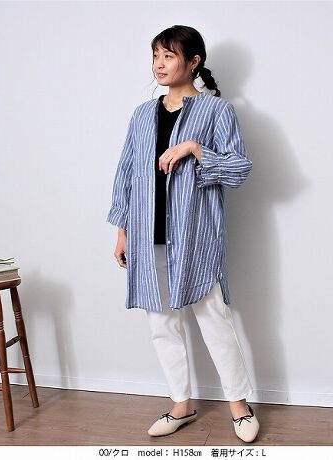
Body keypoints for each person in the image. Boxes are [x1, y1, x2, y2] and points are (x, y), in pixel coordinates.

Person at [106, 25, 259, 443]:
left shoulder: (217, 111)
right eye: (155, 55)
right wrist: (122, 230)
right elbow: (126, 174)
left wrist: (195, 149)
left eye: (169, 56)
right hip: (145, 234)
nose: (159, 64)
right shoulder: (142, 114)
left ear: (193, 62)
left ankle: (239, 405)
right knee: (161, 324)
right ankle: (181, 404)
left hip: (196, 236)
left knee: (214, 320)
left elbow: (239, 169)